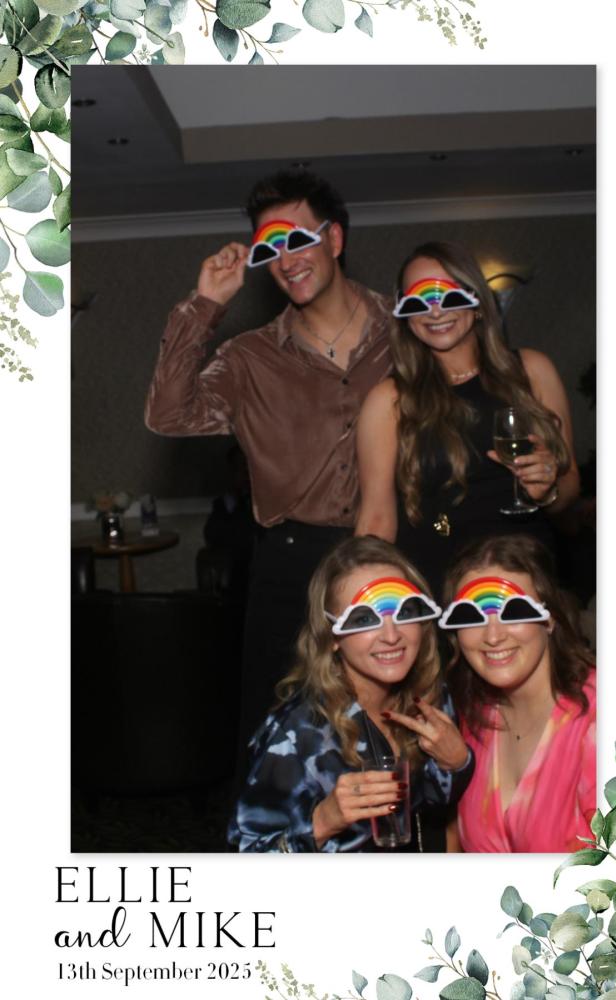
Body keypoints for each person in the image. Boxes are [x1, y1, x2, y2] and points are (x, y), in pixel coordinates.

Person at [145, 171, 394, 759]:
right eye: (270, 247)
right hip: (292, 569)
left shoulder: (406, 331)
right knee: (279, 745)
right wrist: (207, 303)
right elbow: (168, 414)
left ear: (334, 239)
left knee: (391, 739)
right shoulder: (248, 358)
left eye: (298, 239)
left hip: (395, 554)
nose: (286, 259)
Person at [355, 240, 580, 599]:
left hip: (525, 584)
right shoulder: (389, 400)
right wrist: (368, 601)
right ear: (405, 316)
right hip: (437, 587)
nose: (435, 311)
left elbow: (568, 492)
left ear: (476, 302)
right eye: (418, 301)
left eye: (449, 295)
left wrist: (548, 487)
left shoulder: (532, 371)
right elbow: (376, 522)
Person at [227, 535, 474, 852]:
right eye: (364, 619)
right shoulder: (299, 733)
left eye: (405, 611)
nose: (391, 635)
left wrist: (457, 763)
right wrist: (322, 822)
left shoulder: (429, 697)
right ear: (331, 636)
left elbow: (432, 803)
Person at [439, 533, 595, 853]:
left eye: (513, 611)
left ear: (549, 618)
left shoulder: (604, 719)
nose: (493, 636)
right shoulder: (473, 716)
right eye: (470, 616)